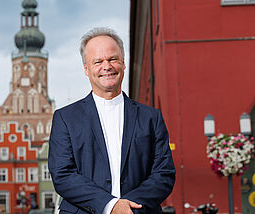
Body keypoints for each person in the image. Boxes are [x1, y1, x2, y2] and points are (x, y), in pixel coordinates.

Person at [48, 27, 176, 214]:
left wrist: (128, 207)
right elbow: (63, 175)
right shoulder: (65, 118)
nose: (106, 66)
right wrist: (110, 205)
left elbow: (163, 174)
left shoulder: (151, 118)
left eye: (112, 59)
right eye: (98, 61)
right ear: (86, 69)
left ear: (123, 63)